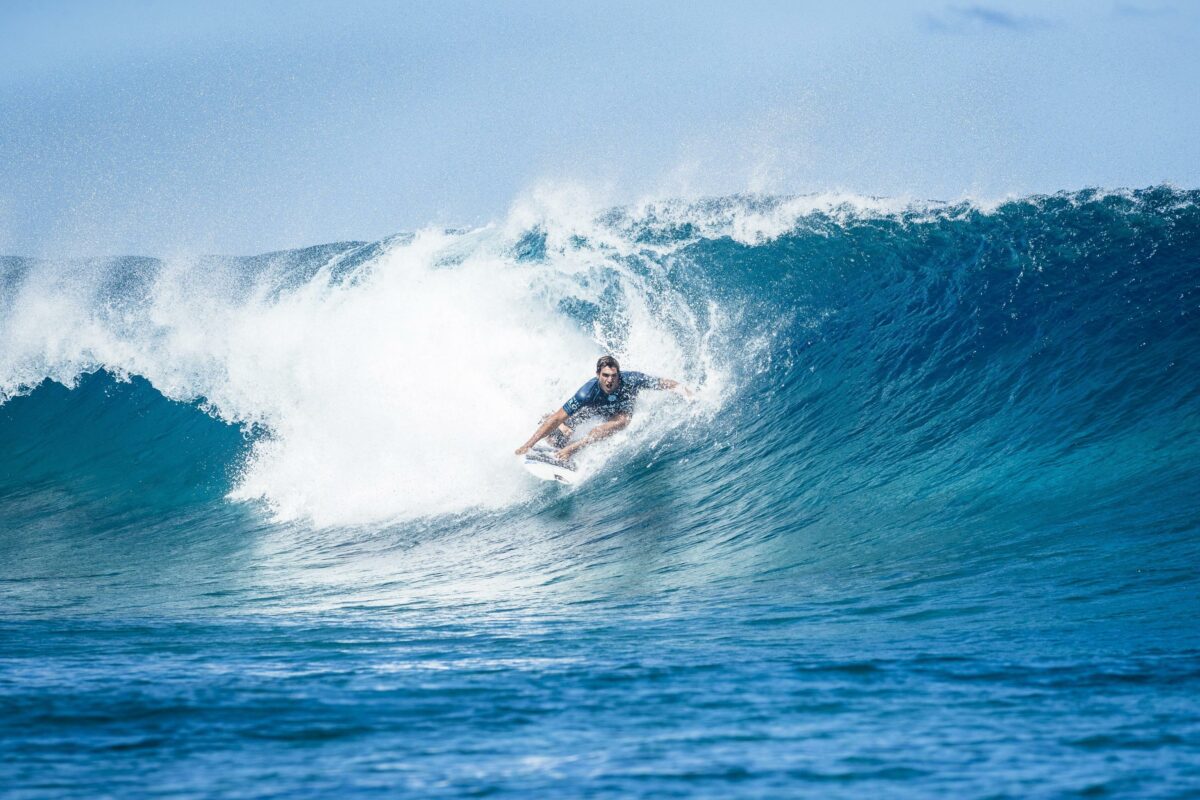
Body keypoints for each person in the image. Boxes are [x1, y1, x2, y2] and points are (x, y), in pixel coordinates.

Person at [515, 355, 691, 461]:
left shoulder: (632, 380)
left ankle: (574, 448)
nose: (610, 380)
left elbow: (663, 383)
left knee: (622, 421)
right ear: (598, 375)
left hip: (620, 412)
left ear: (619, 375)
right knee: (558, 437)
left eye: (614, 376)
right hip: (594, 409)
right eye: (605, 375)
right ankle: (556, 426)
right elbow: (556, 418)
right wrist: (528, 445)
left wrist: (688, 393)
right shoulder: (587, 393)